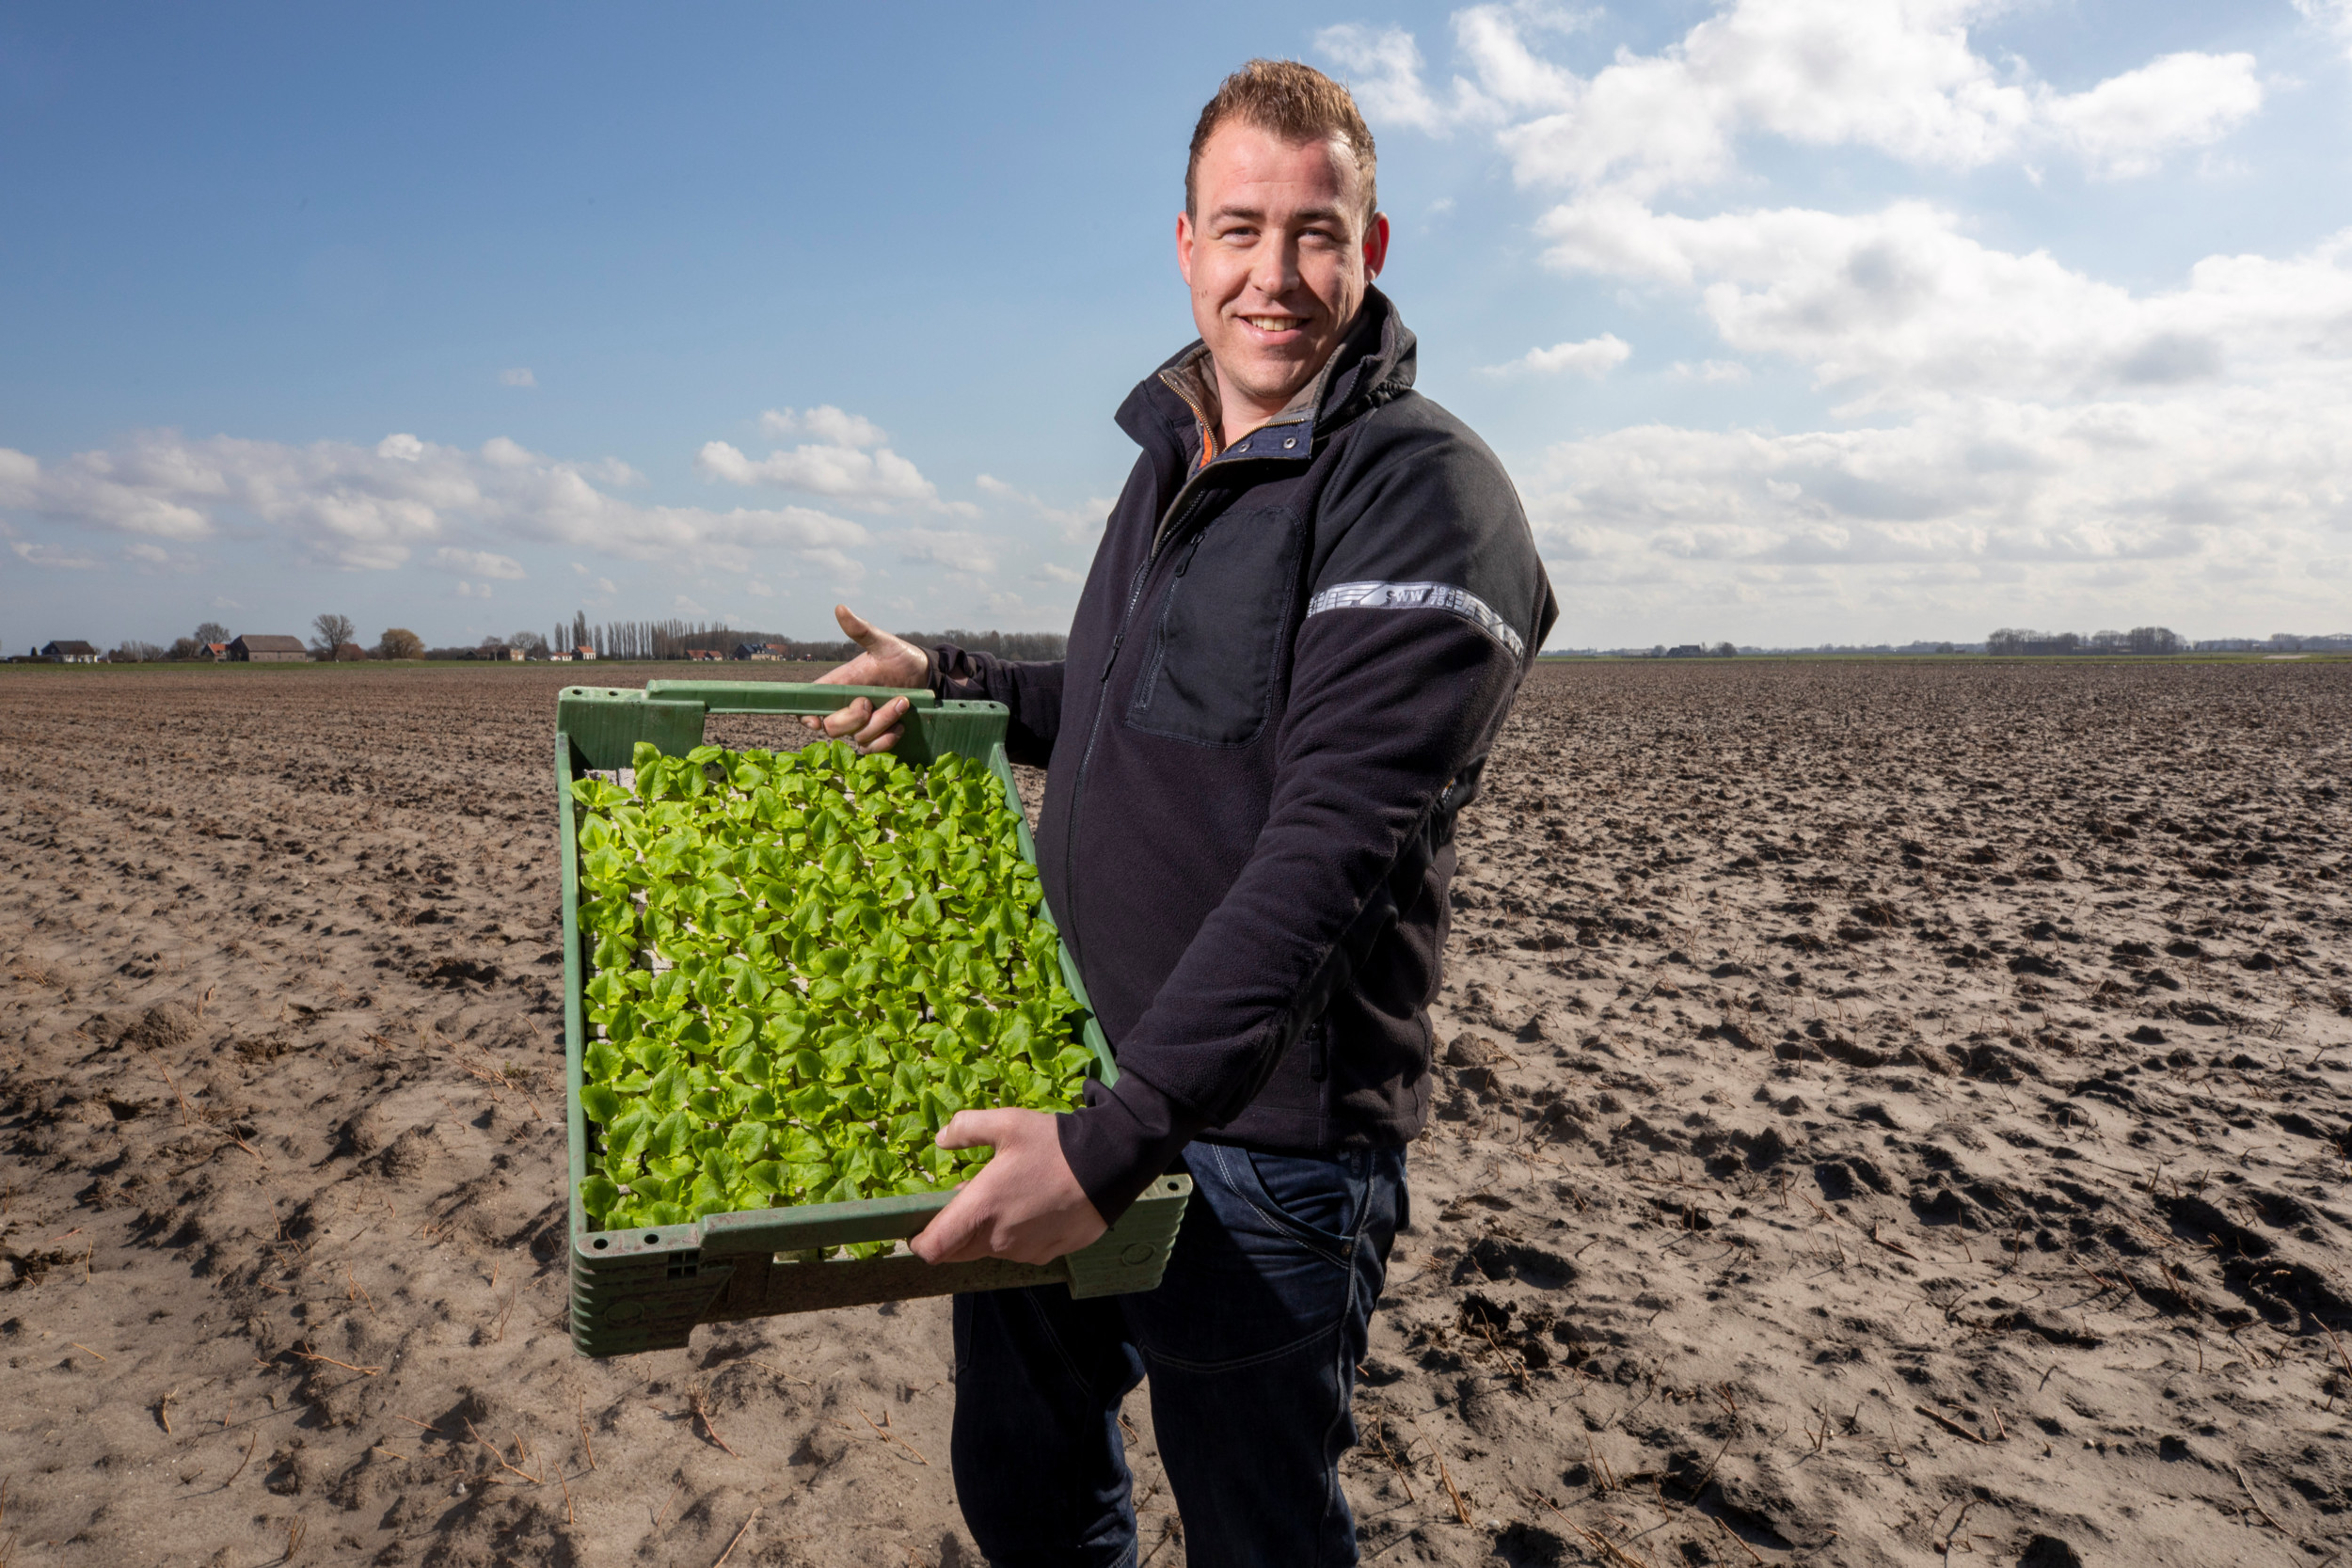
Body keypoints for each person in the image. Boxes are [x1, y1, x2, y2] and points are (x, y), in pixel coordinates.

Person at [804, 58, 1558, 1568]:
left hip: (1258, 1151)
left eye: (1313, 232)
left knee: (1257, 1530)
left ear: (1374, 247)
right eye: (1238, 230)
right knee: (1025, 1478)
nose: (1273, 275)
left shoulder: (1424, 495)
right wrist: (950, 680)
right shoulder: (1175, 456)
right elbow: (1132, 701)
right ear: (1183, 245)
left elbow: (1332, 849)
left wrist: (1116, 1140)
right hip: (1069, 1078)